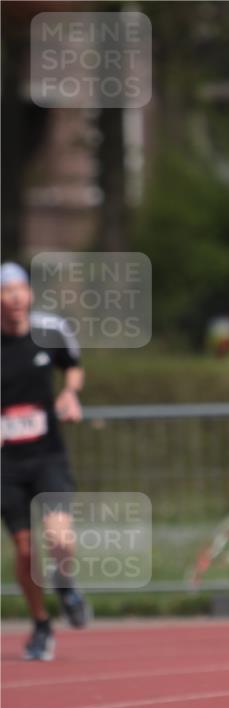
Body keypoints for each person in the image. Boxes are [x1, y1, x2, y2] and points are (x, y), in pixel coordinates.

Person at [1, 262, 90, 661]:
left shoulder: (49, 332)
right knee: (23, 550)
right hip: (6, 465)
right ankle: (40, 624)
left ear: (30, 294)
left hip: (47, 454)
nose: (15, 298)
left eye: (21, 289)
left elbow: (72, 368)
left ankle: (66, 584)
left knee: (59, 537)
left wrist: (70, 394)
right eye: (6, 291)